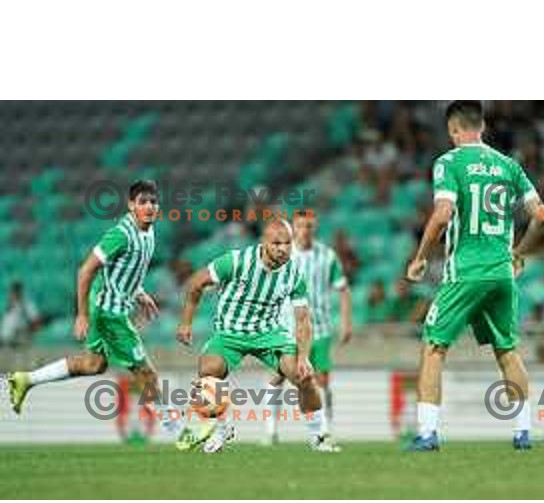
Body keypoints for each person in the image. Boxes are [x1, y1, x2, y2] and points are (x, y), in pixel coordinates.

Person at [406, 101, 544, 451]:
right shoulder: (509, 165)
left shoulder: (449, 162)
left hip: (464, 274)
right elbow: (542, 216)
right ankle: (523, 433)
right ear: (481, 126)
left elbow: (442, 214)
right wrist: (519, 252)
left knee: (433, 347)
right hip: (502, 274)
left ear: (453, 130)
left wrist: (421, 257)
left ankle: (427, 434)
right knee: (507, 350)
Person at [175, 217, 338, 453]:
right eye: (276, 244)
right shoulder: (235, 261)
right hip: (230, 333)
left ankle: (319, 436)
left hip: (269, 333)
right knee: (208, 372)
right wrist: (186, 323)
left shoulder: (293, 273)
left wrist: (303, 357)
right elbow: (196, 283)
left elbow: (303, 319)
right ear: (264, 243)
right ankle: (222, 429)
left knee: (304, 377)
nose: (283, 249)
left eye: (287, 244)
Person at [7, 180, 160, 418]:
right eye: (143, 202)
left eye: (153, 202)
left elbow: (124, 267)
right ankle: (181, 431)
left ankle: (26, 379)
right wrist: (82, 315)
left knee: (94, 364)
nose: (149, 206)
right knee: (148, 374)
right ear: (131, 205)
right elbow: (85, 270)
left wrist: (139, 292)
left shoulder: (148, 231)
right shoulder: (120, 234)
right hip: (110, 313)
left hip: (108, 305)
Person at [264, 211, 352, 444]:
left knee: (321, 380)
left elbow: (343, 289)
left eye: (309, 226)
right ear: (293, 228)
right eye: (301, 226)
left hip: (319, 328)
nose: (305, 231)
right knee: (277, 377)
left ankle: (323, 430)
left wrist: (346, 323)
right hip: (285, 327)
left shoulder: (327, 256)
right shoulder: (283, 254)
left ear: (315, 227)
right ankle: (271, 431)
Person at [0, 282, 42, 347]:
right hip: (6, 338)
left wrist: (28, 331)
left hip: (21, 336)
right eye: (12, 292)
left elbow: (36, 322)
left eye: (16, 291)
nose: (13, 294)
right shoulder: (9, 306)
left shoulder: (27, 304)